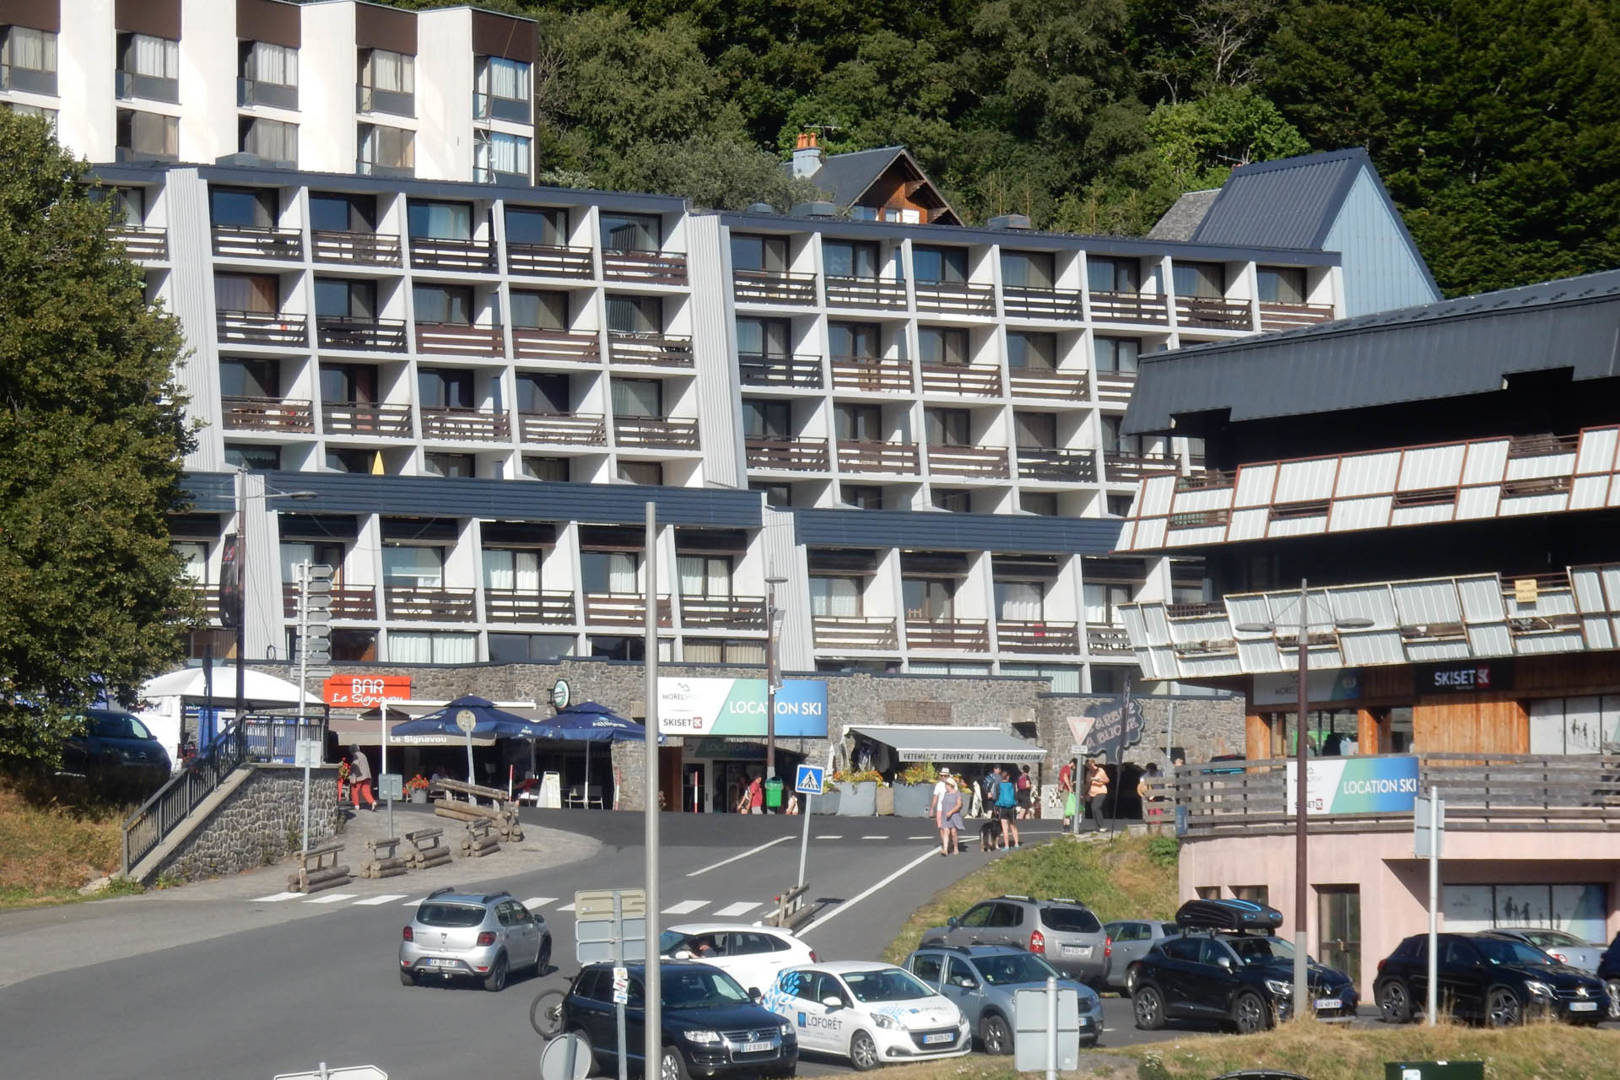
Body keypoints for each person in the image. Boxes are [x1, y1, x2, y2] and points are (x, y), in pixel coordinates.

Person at [929, 768, 956, 856]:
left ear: (948, 776)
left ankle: (950, 844)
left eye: (945, 776)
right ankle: (945, 846)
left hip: (950, 809)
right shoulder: (938, 785)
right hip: (940, 809)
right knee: (941, 828)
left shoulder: (953, 784)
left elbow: (956, 796)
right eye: (941, 775)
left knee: (949, 828)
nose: (943, 777)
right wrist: (932, 808)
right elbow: (935, 797)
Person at [938, 773, 964, 856]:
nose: (945, 786)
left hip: (954, 815)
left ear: (950, 785)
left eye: (946, 785)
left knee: (953, 832)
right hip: (945, 816)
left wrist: (951, 812)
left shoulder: (957, 793)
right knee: (946, 831)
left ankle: (955, 847)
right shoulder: (946, 793)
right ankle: (945, 849)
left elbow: (959, 805)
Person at [994, 765, 1020, 848]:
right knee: (1013, 826)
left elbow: (996, 797)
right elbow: (1015, 796)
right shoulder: (1012, 785)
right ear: (1008, 777)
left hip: (1002, 808)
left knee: (1005, 828)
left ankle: (1006, 846)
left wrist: (996, 808)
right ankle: (1016, 843)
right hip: (1011, 807)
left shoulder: (998, 785)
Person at [1138, 762, 1165, 834]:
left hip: (1159, 793)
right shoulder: (1145, 776)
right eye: (1149, 769)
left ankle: (1158, 822)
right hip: (1150, 794)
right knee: (1151, 808)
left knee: (1158, 808)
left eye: (1151, 769)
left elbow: (1161, 782)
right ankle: (1153, 822)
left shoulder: (1159, 773)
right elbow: (1141, 783)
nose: (1150, 770)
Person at [1084, 756, 1109, 832]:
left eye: (1089, 765)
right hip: (1092, 793)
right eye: (1087, 766)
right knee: (1093, 809)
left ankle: (1101, 826)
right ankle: (1097, 827)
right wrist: (1084, 793)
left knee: (1096, 806)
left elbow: (1107, 780)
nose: (1089, 767)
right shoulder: (1088, 773)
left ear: (1093, 763)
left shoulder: (1100, 770)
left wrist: (1099, 780)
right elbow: (1088, 784)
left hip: (1101, 791)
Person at [349, 746, 377, 811]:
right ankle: (372, 802)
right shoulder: (363, 755)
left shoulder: (355, 755)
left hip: (359, 777)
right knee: (366, 791)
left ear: (352, 750)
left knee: (354, 790)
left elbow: (355, 766)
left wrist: (353, 777)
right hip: (367, 776)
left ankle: (356, 805)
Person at [1059, 757, 1077, 828]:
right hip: (1065, 790)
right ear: (1073, 763)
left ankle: (1066, 824)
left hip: (1065, 789)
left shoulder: (1065, 768)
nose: (1075, 768)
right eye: (1075, 766)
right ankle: (1066, 825)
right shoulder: (1067, 768)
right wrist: (1070, 788)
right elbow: (1065, 777)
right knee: (1067, 808)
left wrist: (1071, 783)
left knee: (1068, 807)